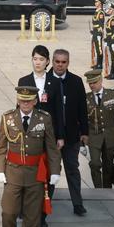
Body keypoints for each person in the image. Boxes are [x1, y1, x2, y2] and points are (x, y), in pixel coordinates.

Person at [0, 85, 61, 227]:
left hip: (35, 175)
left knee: (32, 216)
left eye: (29, 100)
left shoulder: (44, 118)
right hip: (13, 172)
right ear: (17, 100)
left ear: (35, 101)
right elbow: (1, 148)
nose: (25, 103)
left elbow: (51, 148)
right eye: (22, 100)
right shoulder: (8, 118)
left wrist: (55, 171)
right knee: (8, 212)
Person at [48, 49, 89, 218]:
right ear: (52, 61)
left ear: (68, 63)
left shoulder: (76, 81)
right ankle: (45, 204)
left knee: (72, 169)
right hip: (51, 138)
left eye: (63, 62)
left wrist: (84, 132)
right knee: (51, 173)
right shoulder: (46, 81)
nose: (60, 65)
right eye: (57, 61)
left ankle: (77, 204)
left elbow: (82, 109)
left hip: (71, 136)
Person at [18, 45, 64, 148]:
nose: (38, 62)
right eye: (35, 59)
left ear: (47, 61)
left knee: (50, 162)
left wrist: (60, 136)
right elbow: (19, 107)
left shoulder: (55, 81)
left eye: (41, 59)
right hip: (29, 130)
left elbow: (59, 109)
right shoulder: (24, 81)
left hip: (49, 131)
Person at [84, 69, 114, 188]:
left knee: (108, 165)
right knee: (95, 163)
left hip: (110, 136)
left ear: (100, 80)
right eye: (90, 83)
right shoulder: (86, 98)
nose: (92, 85)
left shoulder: (113, 95)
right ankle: (98, 189)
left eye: (94, 82)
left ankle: (107, 189)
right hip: (93, 136)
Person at [103, 2, 114, 80]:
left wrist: (112, 41)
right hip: (110, 40)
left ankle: (113, 74)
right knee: (112, 57)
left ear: (113, 11)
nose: (108, 10)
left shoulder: (113, 21)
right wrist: (106, 39)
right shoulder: (110, 19)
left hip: (113, 41)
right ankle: (111, 73)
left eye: (110, 9)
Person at [89, 0, 105, 70]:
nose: (95, 3)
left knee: (99, 49)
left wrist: (99, 33)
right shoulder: (96, 12)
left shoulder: (101, 13)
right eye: (95, 2)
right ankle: (97, 63)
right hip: (95, 32)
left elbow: (101, 24)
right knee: (96, 48)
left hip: (98, 32)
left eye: (97, 2)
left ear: (100, 3)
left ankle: (100, 64)